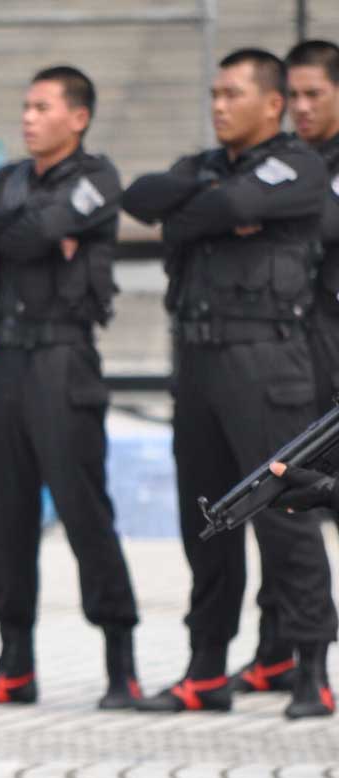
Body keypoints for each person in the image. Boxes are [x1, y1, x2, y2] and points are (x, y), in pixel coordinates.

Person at [122, 48, 338, 718]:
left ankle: (311, 669)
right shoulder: (204, 166)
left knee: (284, 517)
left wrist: (216, 207)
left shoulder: (299, 164)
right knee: (207, 522)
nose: (218, 105)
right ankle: (205, 667)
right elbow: (142, 197)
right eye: (214, 93)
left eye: (233, 94)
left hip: (267, 362)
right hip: (198, 364)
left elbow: (231, 203)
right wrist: (217, 205)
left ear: (271, 104)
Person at [0, 66, 141, 709]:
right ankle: (15, 664)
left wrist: (15, 225)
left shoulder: (98, 178)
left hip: (63, 360)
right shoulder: (12, 179)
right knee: (2, 516)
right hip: (7, 360)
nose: (27, 118)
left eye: (42, 107)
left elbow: (22, 233)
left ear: (77, 117)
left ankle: (121, 664)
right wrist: (24, 222)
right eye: (24, 106)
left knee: (85, 513)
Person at [226, 39, 339, 704]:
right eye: (290, 95)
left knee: (305, 506)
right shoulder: (286, 160)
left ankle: (313, 662)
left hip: (329, 343)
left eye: (313, 95)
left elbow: (323, 219)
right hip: (292, 349)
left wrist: (264, 211)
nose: (299, 108)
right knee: (278, 494)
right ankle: (277, 650)